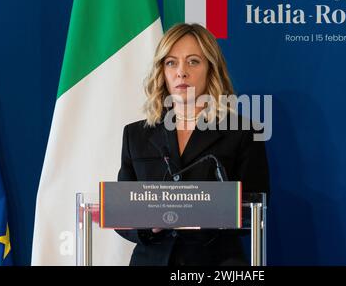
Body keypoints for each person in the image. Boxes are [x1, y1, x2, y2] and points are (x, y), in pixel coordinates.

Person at [115, 23, 270, 266]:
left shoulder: (242, 132)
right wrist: (149, 227)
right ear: (161, 72)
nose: (181, 72)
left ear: (211, 68)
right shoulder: (135, 134)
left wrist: (202, 214)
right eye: (171, 62)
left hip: (216, 263)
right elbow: (122, 212)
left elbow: (254, 212)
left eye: (193, 61)